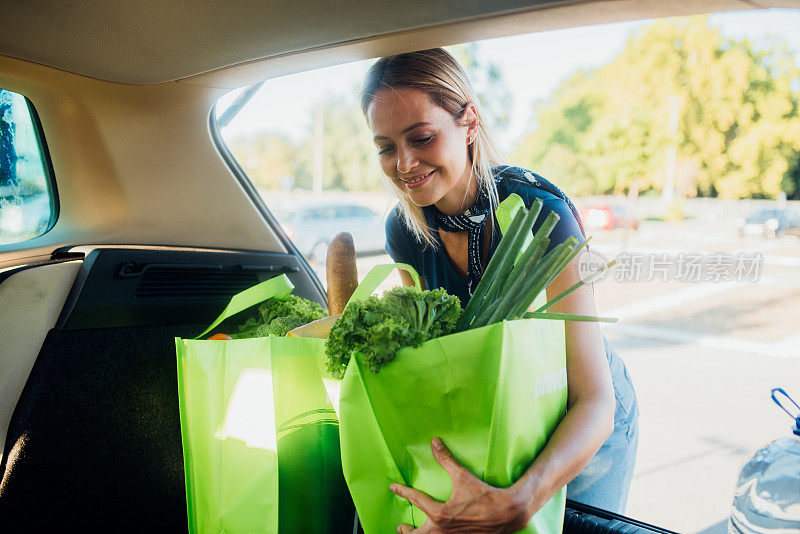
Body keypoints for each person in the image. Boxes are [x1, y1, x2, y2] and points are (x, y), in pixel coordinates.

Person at [360, 48, 639, 533]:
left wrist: (523, 498)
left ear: (469, 121)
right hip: (505, 403)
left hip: (584, 422)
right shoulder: (403, 231)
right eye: (386, 147)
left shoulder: (541, 217)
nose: (404, 164)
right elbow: (439, 353)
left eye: (421, 138)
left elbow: (595, 400)